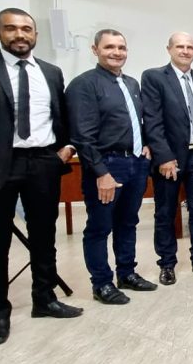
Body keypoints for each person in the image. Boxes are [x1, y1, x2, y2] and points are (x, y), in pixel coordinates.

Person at [0, 8, 81, 346]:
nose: (20, 34)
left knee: (44, 236)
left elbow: (60, 116)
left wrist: (66, 148)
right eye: (11, 28)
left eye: (26, 28)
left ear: (35, 34)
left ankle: (45, 299)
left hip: (43, 162)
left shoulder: (51, 72)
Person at [67, 29, 157, 305]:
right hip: (107, 165)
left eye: (121, 47)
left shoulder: (131, 83)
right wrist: (101, 173)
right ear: (95, 50)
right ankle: (102, 283)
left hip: (135, 163)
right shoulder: (84, 85)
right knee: (100, 226)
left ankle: (126, 273)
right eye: (109, 47)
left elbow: (136, 121)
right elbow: (82, 135)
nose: (116, 52)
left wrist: (146, 144)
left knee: (128, 222)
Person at [141, 32, 193, 286]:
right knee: (166, 212)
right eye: (180, 46)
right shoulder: (154, 77)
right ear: (169, 49)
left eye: (189, 47)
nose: (185, 51)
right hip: (170, 158)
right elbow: (152, 121)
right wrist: (164, 157)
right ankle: (167, 263)